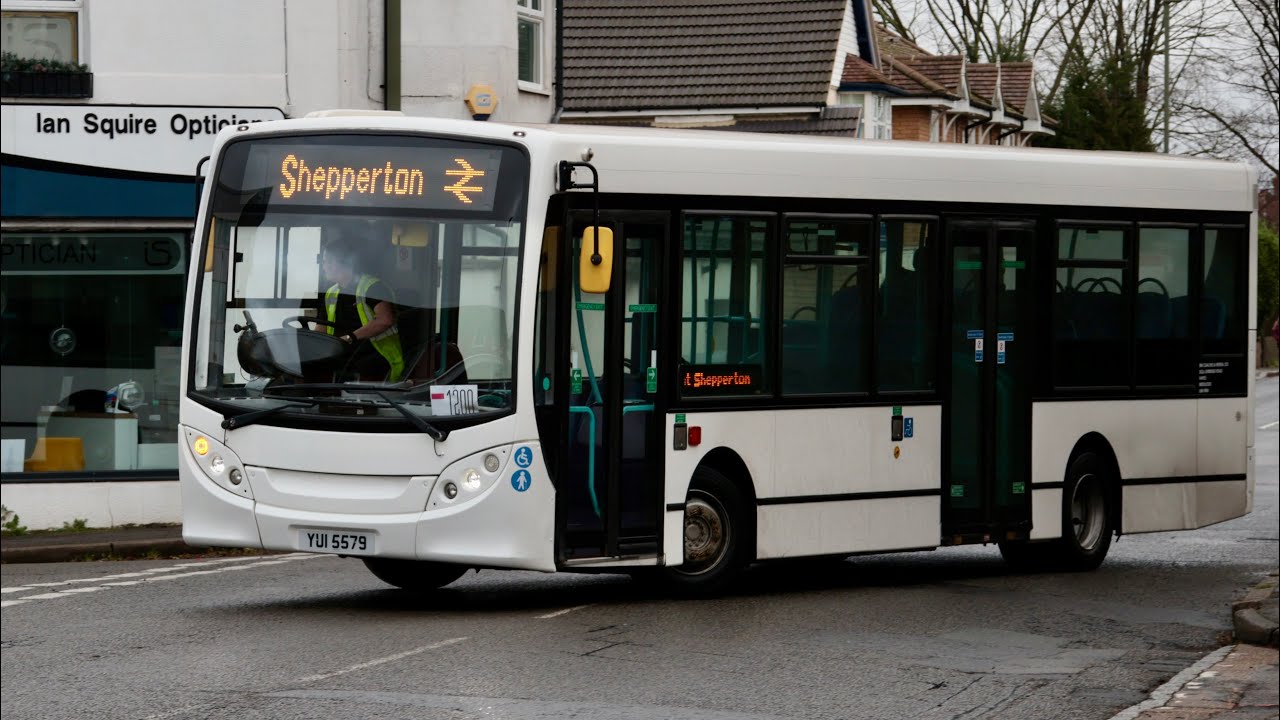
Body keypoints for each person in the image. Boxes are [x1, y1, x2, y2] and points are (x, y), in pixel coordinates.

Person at [320, 235, 404, 382]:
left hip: (376, 355)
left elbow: (385, 320)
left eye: (327, 261)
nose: (323, 266)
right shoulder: (331, 293)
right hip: (342, 355)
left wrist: (348, 338)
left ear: (342, 262)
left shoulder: (373, 287)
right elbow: (321, 329)